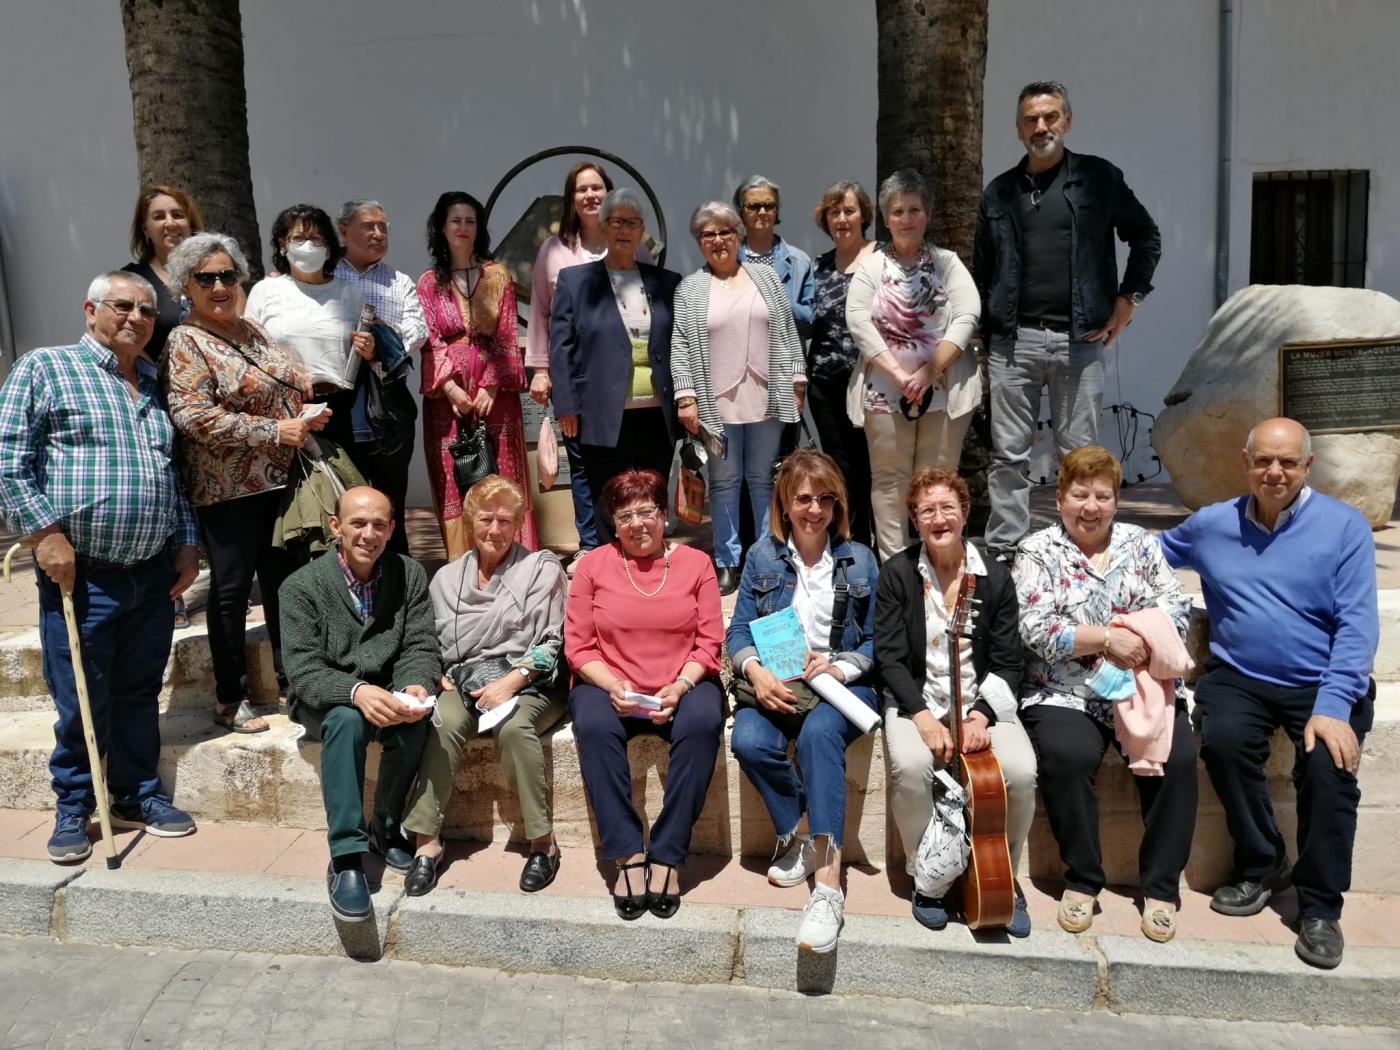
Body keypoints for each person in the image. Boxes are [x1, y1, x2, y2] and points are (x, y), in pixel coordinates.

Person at [1160, 418, 1377, 969]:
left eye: (1287, 462)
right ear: (1245, 461)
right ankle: (1261, 863)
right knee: (1223, 743)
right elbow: (1145, 554)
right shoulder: (1212, 525)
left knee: (1330, 774)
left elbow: (1357, 627)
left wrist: (1332, 708)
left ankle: (1321, 907)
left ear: (1307, 466)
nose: (1274, 472)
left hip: (1322, 679)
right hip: (1240, 674)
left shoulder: (1344, 527)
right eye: (1263, 460)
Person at [0, 270, 200, 860]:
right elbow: (9, 459)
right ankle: (72, 806)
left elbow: (174, 476)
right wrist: (46, 533)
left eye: (146, 310)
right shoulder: (46, 368)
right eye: (122, 306)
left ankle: (136, 794)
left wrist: (186, 544)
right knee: (82, 695)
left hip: (152, 570)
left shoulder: (157, 383)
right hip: (80, 573)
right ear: (91, 309)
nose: (136, 318)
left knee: (139, 690)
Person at [1014, 446, 1195, 942]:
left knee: (1177, 760)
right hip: (1066, 689)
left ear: (1116, 500)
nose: (1090, 506)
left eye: (1102, 495)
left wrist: (1135, 639)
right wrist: (1107, 638)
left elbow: (1176, 609)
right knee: (1066, 755)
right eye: (1079, 494)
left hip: (1143, 685)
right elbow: (1035, 629)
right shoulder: (1037, 551)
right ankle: (1083, 878)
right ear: (1059, 498)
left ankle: (1160, 888)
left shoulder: (1141, 543)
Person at [975, 80, 1162, 560]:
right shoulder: (998, 193)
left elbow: (1145, 236)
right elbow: (984, 270)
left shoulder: (1099, 179)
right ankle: (1006, 551)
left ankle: (1080, 549)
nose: (1042, 127)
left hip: (1080, 340)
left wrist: (1130, 299)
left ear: (1067, 120)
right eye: (1031, 119)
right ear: (1018, 129)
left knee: (1079, 457)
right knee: (1008, 457)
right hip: (1013, 344)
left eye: (1050, 116)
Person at [162, 232, 330, 734]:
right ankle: (230, 699)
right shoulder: (185, 340)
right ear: (185, 286)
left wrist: (304, 411)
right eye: (206, 278)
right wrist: (273, 429)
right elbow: (193, 417)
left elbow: (284, 380)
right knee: (232, 593)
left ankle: (292, 682)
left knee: (284, 586)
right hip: (227, 489)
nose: (219, 286)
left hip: (280, 482)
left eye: (227, 275)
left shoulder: (252, 329)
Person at [727, 449, 881, 954]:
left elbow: (879, 641)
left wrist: (838, 666)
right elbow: (738, 631)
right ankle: (802, 827)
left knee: (818, 737)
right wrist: (756, 670)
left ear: (837, 506)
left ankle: (829, 887)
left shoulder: (860, 559)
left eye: (825, 500)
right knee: (748, 741)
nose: (814, 510)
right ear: (785, 505)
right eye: (804, 499)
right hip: (779, 680)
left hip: (840, 683)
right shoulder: (761, 556)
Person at [876, 468, 1037, 937]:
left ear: (966, 514)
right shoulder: (898, 574)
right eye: (927, 510)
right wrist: (923, 718)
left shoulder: (994, 579)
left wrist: (980, 715)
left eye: (948, 507)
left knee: (1021, 771)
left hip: (981, 703)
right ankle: (928, 875)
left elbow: (1009, 662)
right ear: (914, 519)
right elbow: (888, 657)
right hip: (916, 702)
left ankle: (1002, 872)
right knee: (908, 766)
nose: (939, 518)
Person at [564, 469, 724, 920]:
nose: (638, 524)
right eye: (625, 515)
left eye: (646, 512)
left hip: (682, 682)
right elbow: (578, 645)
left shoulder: (697, 565)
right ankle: (628, 855)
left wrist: (682, 684)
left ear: (664, 515)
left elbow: (710, 642)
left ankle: (669, 854)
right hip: (609, 684)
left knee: (703, 721)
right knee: (593, 724)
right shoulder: (594, 565)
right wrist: (613, 684)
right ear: (613, 524)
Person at [401, 476, 568, 896]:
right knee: (441, 721)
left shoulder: (540, 569)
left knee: (514, 729)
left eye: (505, 521)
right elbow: (431, 641)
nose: (495, 530)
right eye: (486, 519)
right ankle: (427, 843)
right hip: (465, 680)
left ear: (518, 525)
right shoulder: (445, 579)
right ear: (469, 521)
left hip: (531, 680)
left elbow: (553, 642)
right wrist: (438, 673)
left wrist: (511, 683)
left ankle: (542, 843)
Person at [279, 486, 440, 921]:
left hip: (387, 689)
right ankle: (346, 857)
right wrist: (355, 691)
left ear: (391, 529)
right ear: (336, 527)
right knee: (347, 722)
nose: (368, 534)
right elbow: (304, 670)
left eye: (379, 525)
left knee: (415, 722)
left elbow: (421, 644)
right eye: (358, 523)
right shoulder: (301, 587)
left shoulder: (409, 574)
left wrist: (412, 687)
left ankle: (385, 830)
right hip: (327, 698)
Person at [671, 201, 806, 596]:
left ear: (738, 236)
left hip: (766, 394)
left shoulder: (764, 277)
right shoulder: (690, 288)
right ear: (699, 242)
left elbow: (786, 330)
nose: (718, 240)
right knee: (725, 481)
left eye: (725, 232)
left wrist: (796, 379)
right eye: (708, 234)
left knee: (764, 480)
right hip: (716, 400)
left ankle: (764, 557)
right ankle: (727, 561)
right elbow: (680, 343)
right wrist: (686, 396)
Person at [847, 170, 982, 562]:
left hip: (943, 390)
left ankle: (937, 563)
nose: (906, 218)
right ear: (886, 219)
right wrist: (900, 374)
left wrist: (929, 371)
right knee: (890, 482)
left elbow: (968, 313)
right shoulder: (872, 267)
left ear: (927, 216)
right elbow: (857, 319)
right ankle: (895, 569)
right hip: (885, 392)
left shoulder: (947, 263)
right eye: (898, 211)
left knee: (936, 484)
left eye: (914, 210)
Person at [527, 162, 655, 558]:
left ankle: (631, 543)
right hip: (578, 380)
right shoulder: (554, 250)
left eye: (597, 187)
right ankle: (591, 547)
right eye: (581, 189)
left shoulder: (639, 250)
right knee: (584, 469)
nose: (590, 195)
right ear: (571, 198)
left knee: (630, 466)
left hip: (628, 385)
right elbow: (541, 314)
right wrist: (541, 370)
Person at [549, 188, 681, 542]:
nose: (625, 229)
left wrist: (687, 398)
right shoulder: (575, 281)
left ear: (642, 231)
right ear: (603, 227)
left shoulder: (666, 283)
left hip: (656, 411)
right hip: (602, 410)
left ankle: (651, 564)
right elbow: (560, 348)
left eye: (633, 222)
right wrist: (566, 405)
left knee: (652, 494)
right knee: (608, 494)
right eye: (617, 221)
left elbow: (681, 346)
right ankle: (612, 570)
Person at [416, 191, 537, 560]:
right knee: (455, 481)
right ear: (441, 227)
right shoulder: (426, 283)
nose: (463, 228)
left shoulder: (498, 275)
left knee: (504, 476)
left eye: (470, 221)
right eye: (456, 220)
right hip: (446, 400)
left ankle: (516, 560)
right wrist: (450, 387)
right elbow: (429, 339)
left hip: (495, 395)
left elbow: (504, 332)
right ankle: (463, 565)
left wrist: (490, 385)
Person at [334, 200, 430, 555]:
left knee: (391, 499)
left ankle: (398, 578)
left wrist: (380, 347)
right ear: (344, 231)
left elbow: (417, 330)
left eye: (383, 227)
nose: (378, 234)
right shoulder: (327, 275)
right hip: (340, 402)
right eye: (368, 226)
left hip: (389, 402)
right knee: (346, 499)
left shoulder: (398, 281)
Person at [807, 181, 876, 548]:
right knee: (841, 468)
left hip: (872, 383)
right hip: (825, 385)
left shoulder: (882, 259)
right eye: (834, 212)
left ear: (863, 214)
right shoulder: (817, 267)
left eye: (849, 210)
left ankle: (881, 548)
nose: (842, 218)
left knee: (873, 469)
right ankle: (851, 544)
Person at [122, 184, 204, 363]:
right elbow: (120, 339)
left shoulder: (215, 275)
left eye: (178, 215)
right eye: (159, 217)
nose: (170, 223)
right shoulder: (131, 281)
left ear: (190, 224)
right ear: (145, 229)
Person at [733, 175, 815, 338]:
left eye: (769, 206)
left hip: (785, 359)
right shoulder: (729, 259)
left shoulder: (799, 261)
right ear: (741, 212)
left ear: (776, 211)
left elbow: (811, 322)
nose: (762, 212)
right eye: (753, 206)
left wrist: (777, 300)